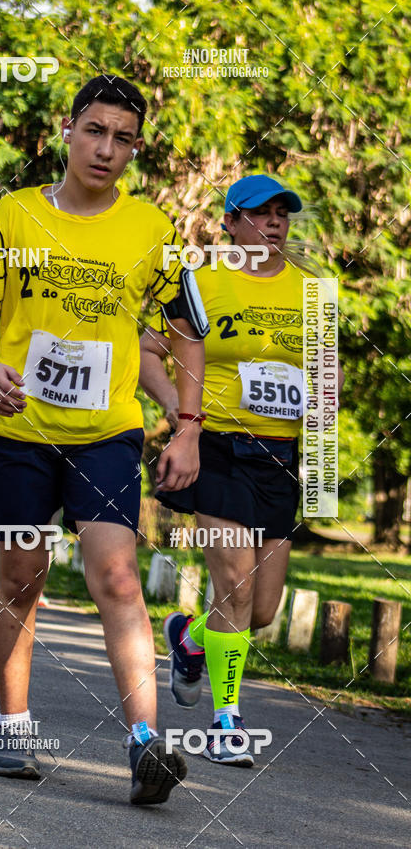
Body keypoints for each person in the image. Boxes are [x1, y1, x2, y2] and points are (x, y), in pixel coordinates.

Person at [0, 75, 207, 804]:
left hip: (105, 433)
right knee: (22, 577)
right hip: (14, 431)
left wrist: (186, 428)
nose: (105, 148)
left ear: (135, 149)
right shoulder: (13, 215)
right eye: (93, 130)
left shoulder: (152, 231)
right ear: (66, 132)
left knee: (118, 579)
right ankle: (12, 729)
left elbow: (186, 334)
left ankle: (144, 748)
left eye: (122, 137)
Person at [139, 174, 344, 767]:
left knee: (260, 610)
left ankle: (187, 638)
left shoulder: (314, 293)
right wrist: (186, 423)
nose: (275, 222)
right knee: (234, 585)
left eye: (283, 213)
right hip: (220, 448)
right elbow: (149, 354)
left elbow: (326, 379)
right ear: (229, 222)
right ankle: (227, 722)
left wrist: (323, 455)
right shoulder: (201, 282)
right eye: (260, 212)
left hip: (280, 455)